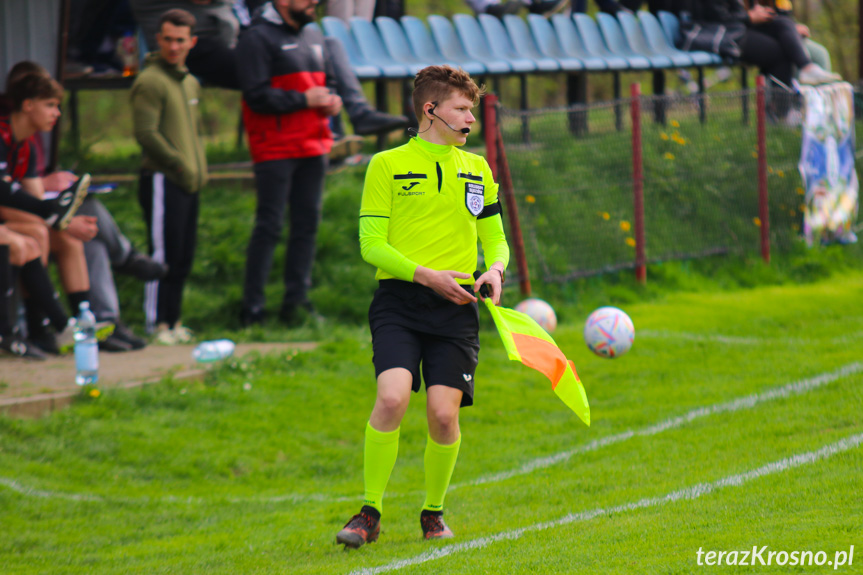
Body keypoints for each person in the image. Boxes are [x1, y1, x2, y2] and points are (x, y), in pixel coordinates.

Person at [336, 65, 509, 548]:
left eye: (471, 109)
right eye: (461, 108)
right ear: (431, 110)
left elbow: (495, 240)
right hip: (400, 300)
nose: (470, 118)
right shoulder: (386, 164)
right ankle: (369, 513)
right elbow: (371, 244)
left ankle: (433, 513)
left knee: (442, 416)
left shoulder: (477, 169)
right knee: (391, 397)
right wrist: (424, 275)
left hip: (455, 309)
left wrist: (494, 271)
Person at [128, 0, 408, 136]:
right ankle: (331, 133)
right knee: (287, 55)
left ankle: (357, 114)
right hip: (195, 46)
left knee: (327, 44)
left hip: (231, 39)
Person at [236, 0, 342, 326]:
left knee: (306, 226)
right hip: (274, 148)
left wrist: (332, 101)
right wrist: (303, 100)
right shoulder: (255, 38)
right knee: (268, 227)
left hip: (314, 145)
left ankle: (296, 304)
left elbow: (329, 82)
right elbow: (255, 95)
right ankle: (252, 310)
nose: (314, 2)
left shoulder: (313, 34)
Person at [131, 8, 208, 344]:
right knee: (162, 253)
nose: (173, 46)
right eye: (168, 39)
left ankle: (173, 321)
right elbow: (146, 133)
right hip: (164, 179)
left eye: (180, 40)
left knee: (183, 254)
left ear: (191, 41)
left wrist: (196, 169)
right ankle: (156, 323)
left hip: (188, 182)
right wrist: (178, 164)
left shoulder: (190, 81)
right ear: (158, 39)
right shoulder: (150, 81)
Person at [686, 0, 839, 88]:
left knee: (784, 23)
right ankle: (780, 112)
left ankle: (807, 68)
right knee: (777, 51)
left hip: (741, 27)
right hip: (716, 32)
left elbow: (779, 10)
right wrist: (748, 16)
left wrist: (791, 26)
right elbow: (717, 16)